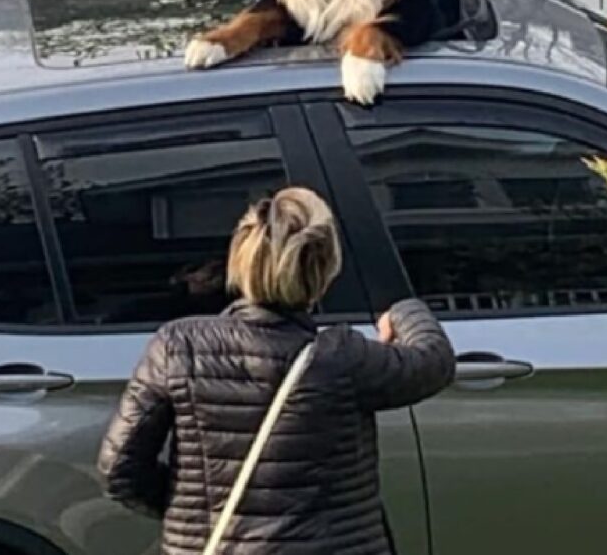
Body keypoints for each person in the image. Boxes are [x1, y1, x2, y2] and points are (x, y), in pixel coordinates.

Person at [97, 186, 456, 555]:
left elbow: (119, 469)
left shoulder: (178, 345)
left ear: (240, 259)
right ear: (325, 268)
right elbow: (435, 361)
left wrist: (190, 514)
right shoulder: (343, 357)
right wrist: (403, 309)